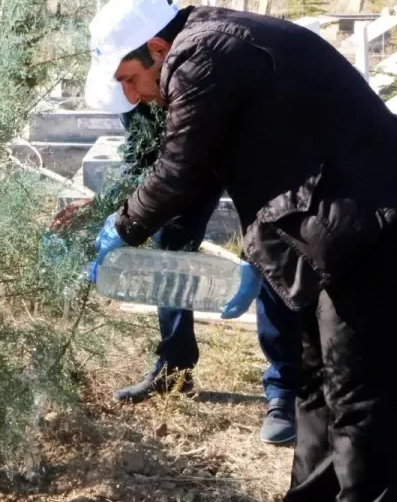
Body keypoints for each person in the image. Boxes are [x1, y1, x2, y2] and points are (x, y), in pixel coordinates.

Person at [85, 0, 397, 502]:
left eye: (132, 77)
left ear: (157, 48)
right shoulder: (209, 48)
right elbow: (211, 167)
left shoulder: (203, 55)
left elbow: (179, 170)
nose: (135, 94)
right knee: (314, 378)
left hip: (381, 223)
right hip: (336, 219)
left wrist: (121, 227)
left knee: (365, 400)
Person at [113, 101, 302, 445]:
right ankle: (175, 368)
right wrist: (113, 213)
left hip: (248, 151)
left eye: (131, 81)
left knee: (268, 251)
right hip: (188, 161)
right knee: (171, 243)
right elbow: (140, 155)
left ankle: (284, 390)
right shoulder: (127, 78)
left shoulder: (207, 69)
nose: (127, 89)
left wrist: (251, 252)